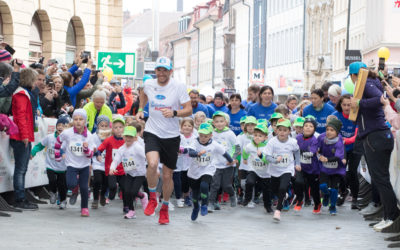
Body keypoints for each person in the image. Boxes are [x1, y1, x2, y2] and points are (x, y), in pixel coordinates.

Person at [136, 56, 192, 225]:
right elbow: (143, 94)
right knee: (152, 164)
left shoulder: (178, 86)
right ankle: (153, 197)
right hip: (152, 131)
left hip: (171, 135)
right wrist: (140, 109)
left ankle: (165, 207)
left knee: (168, 176)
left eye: (164, 70)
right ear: (156, 71)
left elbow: (188, 109)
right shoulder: (149, 84)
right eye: (159, 70)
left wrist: (174, 113)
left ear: (170, 71)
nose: (161, 73)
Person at [349, 61, 399, 231]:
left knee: (381, 179)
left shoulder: (367, 84)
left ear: (354, 75)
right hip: (377, 135)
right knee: (381, 179)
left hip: (375, 136)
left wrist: (359, 104)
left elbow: (381, 99)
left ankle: (391, 217)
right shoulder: (369, 83)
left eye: (352, 77)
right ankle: (388, 215)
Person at [180, 122, 234, 221]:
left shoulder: (214, 144)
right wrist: (197, 153)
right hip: (194, 171)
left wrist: (231, 161)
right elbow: (190, 152)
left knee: (204, 186)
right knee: (195, 194)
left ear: (210, 135)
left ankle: (205, 204)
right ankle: (196, 207)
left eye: (205, 136)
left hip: (208, 169)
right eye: (201, 135)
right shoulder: (195, 142)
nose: (203, 138)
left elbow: (224, 153)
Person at [54, 109, 96, 217]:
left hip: (84, 165)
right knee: (71, 184)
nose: (78, 121)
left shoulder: (89, 136)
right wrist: (57, 154)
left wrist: (86, 150)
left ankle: (84, 208)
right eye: (76, 119)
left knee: (84, 187)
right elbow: (58, 141)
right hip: (71, 164)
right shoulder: (68, 133)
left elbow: (91, 155)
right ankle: (74, 189)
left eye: (81, 119)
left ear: (85, 121)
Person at [10, 67, 38, 210]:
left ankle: (21, 197)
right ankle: (20, 199)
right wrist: (25, 135)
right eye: (35, 80)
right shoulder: (21, 94)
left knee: (22, 168)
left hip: (22, 136)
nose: (36, 83)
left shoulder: (25, 93)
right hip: (21, 136)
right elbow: (21, 116)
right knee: (21, 169)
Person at [264, 118, 300, 222]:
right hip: (274, 169)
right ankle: (285, 195)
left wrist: (297, 163)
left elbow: (297, 151)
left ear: (289, 131)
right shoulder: (272, 142)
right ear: (276, 130)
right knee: (275, 189)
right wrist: (275, 160)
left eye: (285, 130)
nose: (282, 132)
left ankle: (278, 211)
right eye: (280, 130)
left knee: (283, 187)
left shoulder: (292, 142)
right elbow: (266, 157)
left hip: (287, 169)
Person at [109, 126, 148, 219]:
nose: (128, 138)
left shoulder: (137, 147)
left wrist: (151, 166)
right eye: (127, 136)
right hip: (129, 174)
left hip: (140, 174)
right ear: (123, 137)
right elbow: (116, 160)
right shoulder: (121, 149)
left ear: (135, 138)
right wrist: (112, 168)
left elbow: (147, 156)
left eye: (131, 137)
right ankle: (131, 211)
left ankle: (142, 196)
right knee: (126, 191)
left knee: (133, 192)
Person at [31, 116, 69, 209]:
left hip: (63, 167)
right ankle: (53, 193)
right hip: (50, 165)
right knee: (51, 180)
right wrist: (33, 152)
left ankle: (63, 200)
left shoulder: (68, 139)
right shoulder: (50, 137)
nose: (60, 127)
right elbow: (40, 145)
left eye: (63, 126)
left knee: (62, 185)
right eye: (59, 125)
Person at [333, 95, 362, 209]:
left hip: (355, 147)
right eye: (344, 105)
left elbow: (357, 134)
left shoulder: (357, 116)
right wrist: (341, 141)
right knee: (340, 172)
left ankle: (355, 198)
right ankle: (343, 192)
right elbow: (334, 132)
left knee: (352, 172)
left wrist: (346, 140)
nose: (346, 107)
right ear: (340, 105)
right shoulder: (336, 116)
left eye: (349, 105)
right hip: (341, 147)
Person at [209, 111, 238, 210]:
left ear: (226, 122)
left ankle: (232, 194)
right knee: (215, 184)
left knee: (226, 185)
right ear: (213, 123)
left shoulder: (230, 133)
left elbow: (236, 147)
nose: (219, 123)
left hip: (228, 164)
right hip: (215, 164)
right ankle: (212, 203)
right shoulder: (212, 133)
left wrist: (233, 159)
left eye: (221, 121)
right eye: (216, 121)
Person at [317, 117, 345, 216]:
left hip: (336, 169)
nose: (328, 132)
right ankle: (325, 195)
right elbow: (316, 149)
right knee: (323, 186)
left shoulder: (339, 141)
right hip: (324, 168)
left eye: (332, 130)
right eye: (327, 129)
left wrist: (327, 159)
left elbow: (338, 156)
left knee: (334, 189)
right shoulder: (321, 137)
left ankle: (332, 206)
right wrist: (318, 155)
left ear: (337, 132)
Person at [242, 123, 272, 213]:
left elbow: (268, 160)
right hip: (253, 169)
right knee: (249, 182)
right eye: (255, 135)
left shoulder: (268, 147)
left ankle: (268, 206)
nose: (257, 137)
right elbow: (245, 151)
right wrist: (245, 158)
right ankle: (247, 198)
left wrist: (261, 156)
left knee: (266, 191)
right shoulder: (250, 145)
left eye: (260, 136)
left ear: (265, 138)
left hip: (266, 173)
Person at [294, 116, 321, 214]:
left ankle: (317, 203)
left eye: (311, 126)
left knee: (314, 189)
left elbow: (312, 152)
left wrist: (301, 152)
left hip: (312, 169)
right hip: (301, 167)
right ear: (302, 127)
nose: (308, 127)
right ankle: (299, 200)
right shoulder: (297, 138)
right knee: (298, 182)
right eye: (306, 125)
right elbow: (293, 149)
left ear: (314, 129)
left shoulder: (314, 140)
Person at [91, 115, 112, 209]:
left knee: (106, 182)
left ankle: (103, 195)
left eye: (105, 126)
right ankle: (95, 199)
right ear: (97, 125)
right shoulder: (93, 136)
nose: (103, 128)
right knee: (97, 180)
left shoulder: (111, 136)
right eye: (101, 125)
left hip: (107, 164)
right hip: (97, 163)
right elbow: (91, 149)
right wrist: (96, 153)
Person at [235, 116, 256, 205]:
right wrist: (235, 157)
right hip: (243, 164)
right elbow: (237, 147)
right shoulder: (241, 137)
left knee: (251, 183)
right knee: (243, 183)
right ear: (245, 127)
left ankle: (250, 199)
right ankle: (244, 195)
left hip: (254, 165)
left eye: (253, 125)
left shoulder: (257, 136)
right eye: (248, 125)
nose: (251, 127)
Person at [176, 118, 196, 207]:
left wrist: (183, 150)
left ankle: (188, 196)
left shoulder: (195, 137)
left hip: (192, 163)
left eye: (189, 126)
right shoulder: (179, 136)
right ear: (181, 127)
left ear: (192, 128)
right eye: (185, 125)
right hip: (181, 163)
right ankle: (185, 195)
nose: (187, 127)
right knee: (183, 181)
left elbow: (192, 149)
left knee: (190, 180)